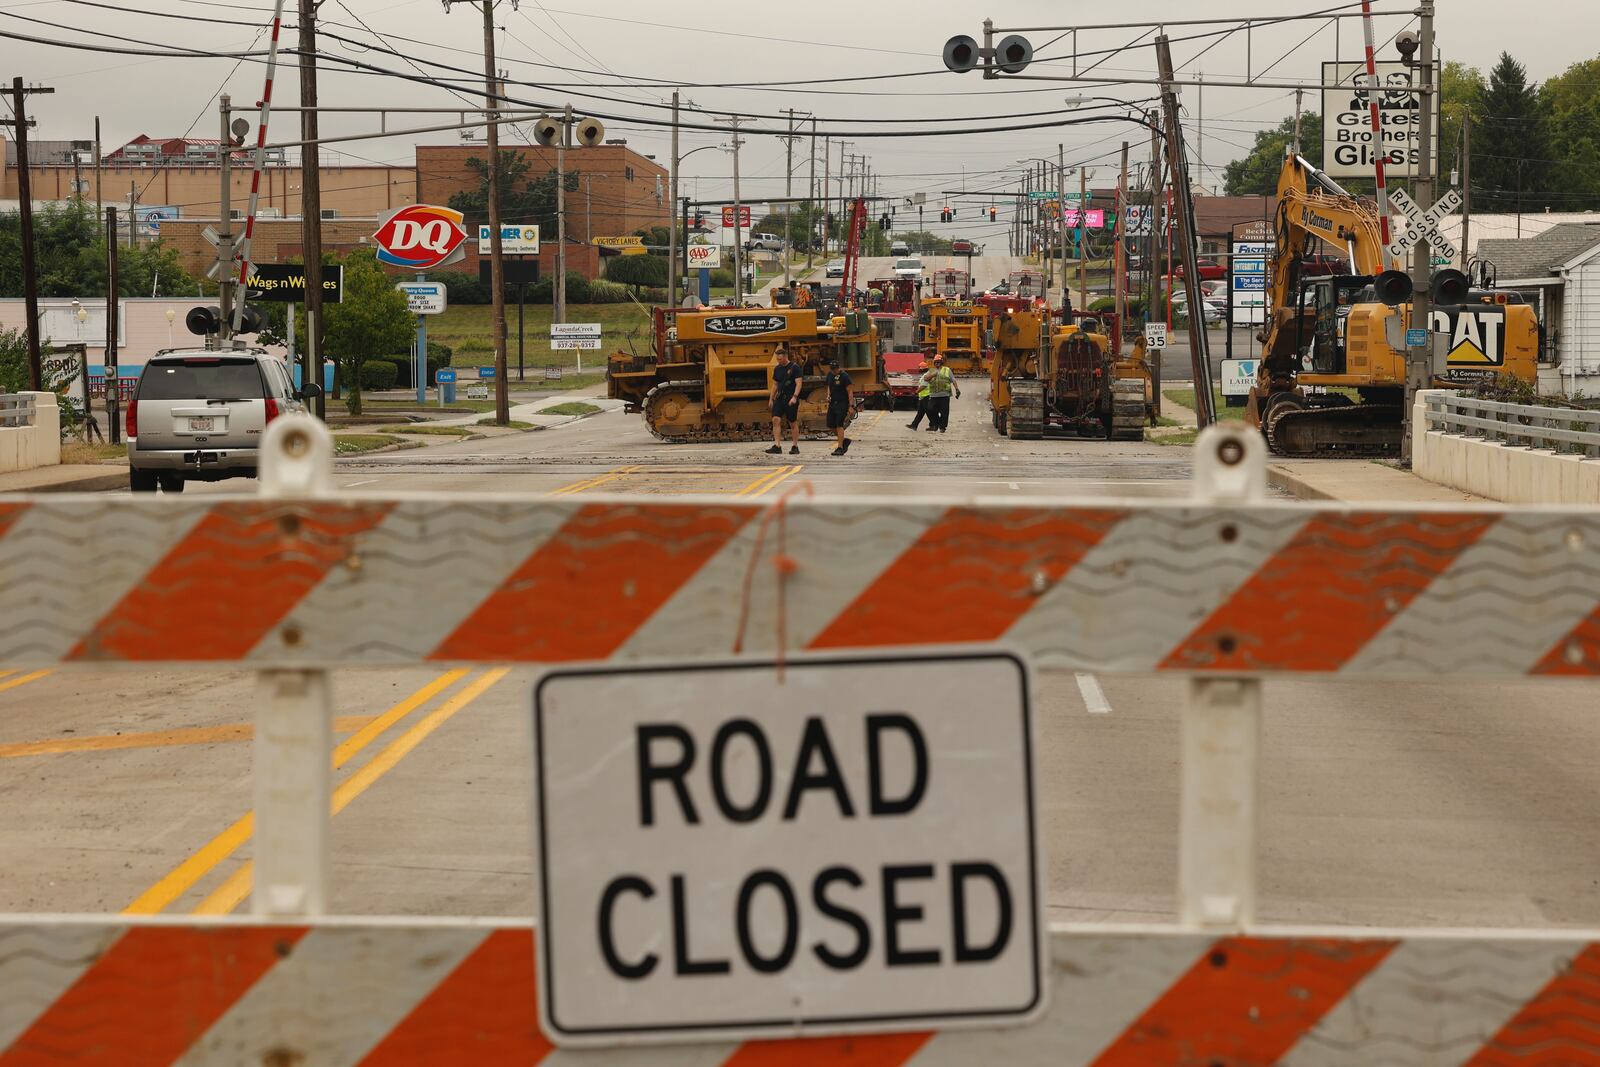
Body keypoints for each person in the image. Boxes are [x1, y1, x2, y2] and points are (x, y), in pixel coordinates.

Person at [765, 345, 802, 455]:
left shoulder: (795, 367)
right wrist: (771, 399)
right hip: (780, 398)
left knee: (792, 422)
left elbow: (799, 383)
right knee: (775, 419)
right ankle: (777, 445)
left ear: (785, 356)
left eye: (780, 359)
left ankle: (795, 446)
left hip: (791, 398)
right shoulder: (777, 368)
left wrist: (794, 397)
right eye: (777, 359)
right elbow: (775, 385)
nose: (778, 361)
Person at [922, 354, 960, 432]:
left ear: (941, 362)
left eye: (939, 362)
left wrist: (957, 389)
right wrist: (933, 374)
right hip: (933, 395)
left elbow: (953, 380)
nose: (937, 364)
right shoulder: (931, 370)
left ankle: (942, 427)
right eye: (936, 362)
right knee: (930, 409)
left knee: (944, 412)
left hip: (944, 395)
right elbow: (925, 378)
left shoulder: (947, 370)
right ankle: (936, 424)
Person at [824, 357, 853, 456]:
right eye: (832, 369)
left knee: (839, 424)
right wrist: (828, 395)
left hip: (842, 402)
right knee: (830, 424)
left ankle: (840, 447)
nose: (834, 371)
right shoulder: (830, 375)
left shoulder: (844, 376)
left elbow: (849, 391)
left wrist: (851, 406)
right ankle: (844, 441)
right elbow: (828, 386)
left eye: (835, 369)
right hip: (833, 403)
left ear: (838, 368)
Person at [906, 360, 932, 430]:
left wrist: (916, 392)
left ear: (922, 369)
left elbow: (923, 386)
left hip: (926, 396)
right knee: (920, 413)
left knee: (928, 412)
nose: (919, 369)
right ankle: (914, 425)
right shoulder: (925, 375)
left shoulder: (926, 376)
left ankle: (934, 424)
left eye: (919, 368)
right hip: (923, 396)